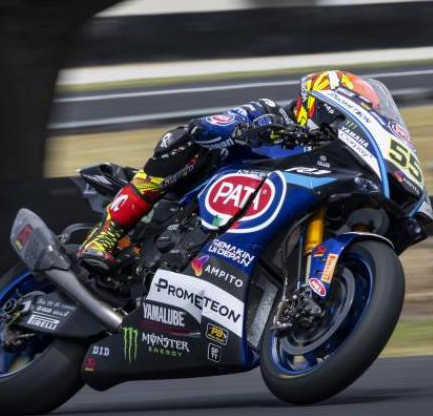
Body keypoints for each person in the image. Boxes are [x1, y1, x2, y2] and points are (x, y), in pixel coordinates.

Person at [78, 69, 382, 271]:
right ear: (318, 104)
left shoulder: (323, 159)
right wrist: (251, 130)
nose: (341, 126)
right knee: (183, 139)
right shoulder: (268, 112)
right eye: (341, 116)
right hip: (198, 195)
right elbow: (206, 127)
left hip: (251, 225)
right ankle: (105, 234)